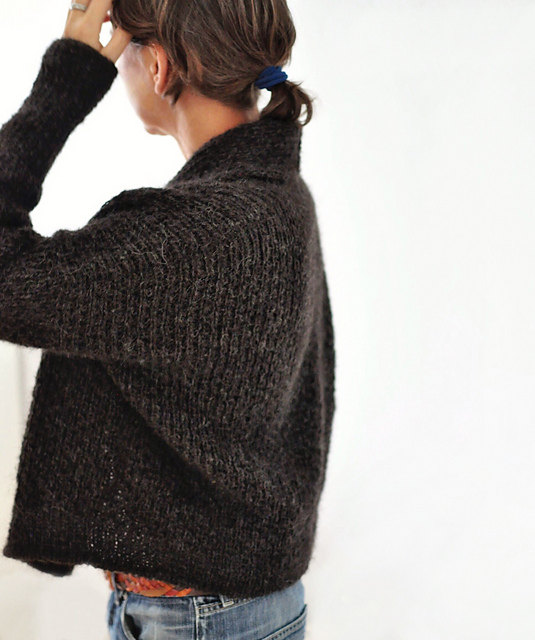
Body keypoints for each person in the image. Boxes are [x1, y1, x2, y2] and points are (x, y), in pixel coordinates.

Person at [0, 0, 335, 638]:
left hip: (198, 620)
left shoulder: (189, 236)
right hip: (238, 607)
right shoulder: (278, 195)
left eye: (123, 49)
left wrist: (67, 80)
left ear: (160, 67)